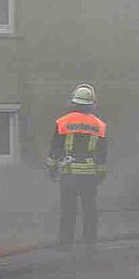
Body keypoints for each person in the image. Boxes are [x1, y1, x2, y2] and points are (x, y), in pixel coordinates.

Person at [47, 84, 108, 252]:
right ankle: (89, 243)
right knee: (90, 210)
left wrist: (52, 169)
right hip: (89, 175)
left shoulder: (62, 122)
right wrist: (101, 174)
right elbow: (102, 154)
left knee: (68, 210)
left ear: (74, 102)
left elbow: (55, 148)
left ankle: (66, 243)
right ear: (91, 104)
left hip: (68, 173)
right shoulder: (99, 126)